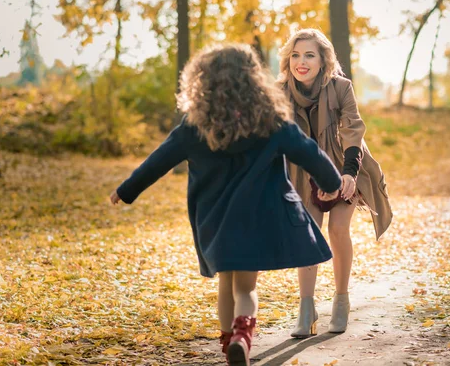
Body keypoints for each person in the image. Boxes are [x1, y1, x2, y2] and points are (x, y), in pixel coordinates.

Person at [109, 44, 342, 366]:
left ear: (204, 81)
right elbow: (310, 153)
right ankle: (242, 336)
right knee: (246, 289)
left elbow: (158, 161)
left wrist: (126, 190)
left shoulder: (195, 126)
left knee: (226, 282)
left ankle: (228, 341)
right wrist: (331, 184)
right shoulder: (272, 122)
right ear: (253, 80)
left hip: (215, 219)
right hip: (260, 215)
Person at [277, 28, 393, 337]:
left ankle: (341, 301)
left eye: (309, 55)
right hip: (303, 174)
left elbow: (353, 130)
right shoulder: (279, 92)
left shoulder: (341, 87)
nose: (301, 62)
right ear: (288, 59)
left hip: (343, 166)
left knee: (338, 229)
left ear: (323, 59)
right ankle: (306, 307)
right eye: (296, 55)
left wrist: (349, 174)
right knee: (309, 235)